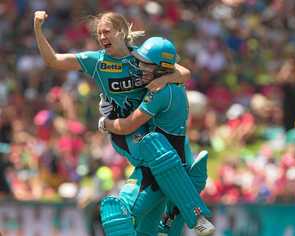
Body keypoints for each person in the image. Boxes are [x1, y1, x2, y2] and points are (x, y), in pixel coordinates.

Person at [34, 11, 212, 235]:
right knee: (160, 154)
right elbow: (53, 60)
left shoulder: (142, 57)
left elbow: (183, 73)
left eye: (106, 31)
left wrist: (164, 78)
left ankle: (163, 224)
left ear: (120, 32)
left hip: (149, 126)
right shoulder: (96, 61)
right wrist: (38, 28)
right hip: (124, 131)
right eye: (99, 33)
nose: (101, 37)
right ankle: (196, 217)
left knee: (165, 172)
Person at [99, 37, 216, 236]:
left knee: (117, 214)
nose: (139, 67)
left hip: (159, 164)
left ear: (161, 68)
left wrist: (105, 123)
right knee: (150, 231)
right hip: (170, 162)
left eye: (146, 64)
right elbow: (181, 72)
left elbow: (128, 125)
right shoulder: (170, 84)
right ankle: (191, 214)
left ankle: (196, 216)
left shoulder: (161, 91)